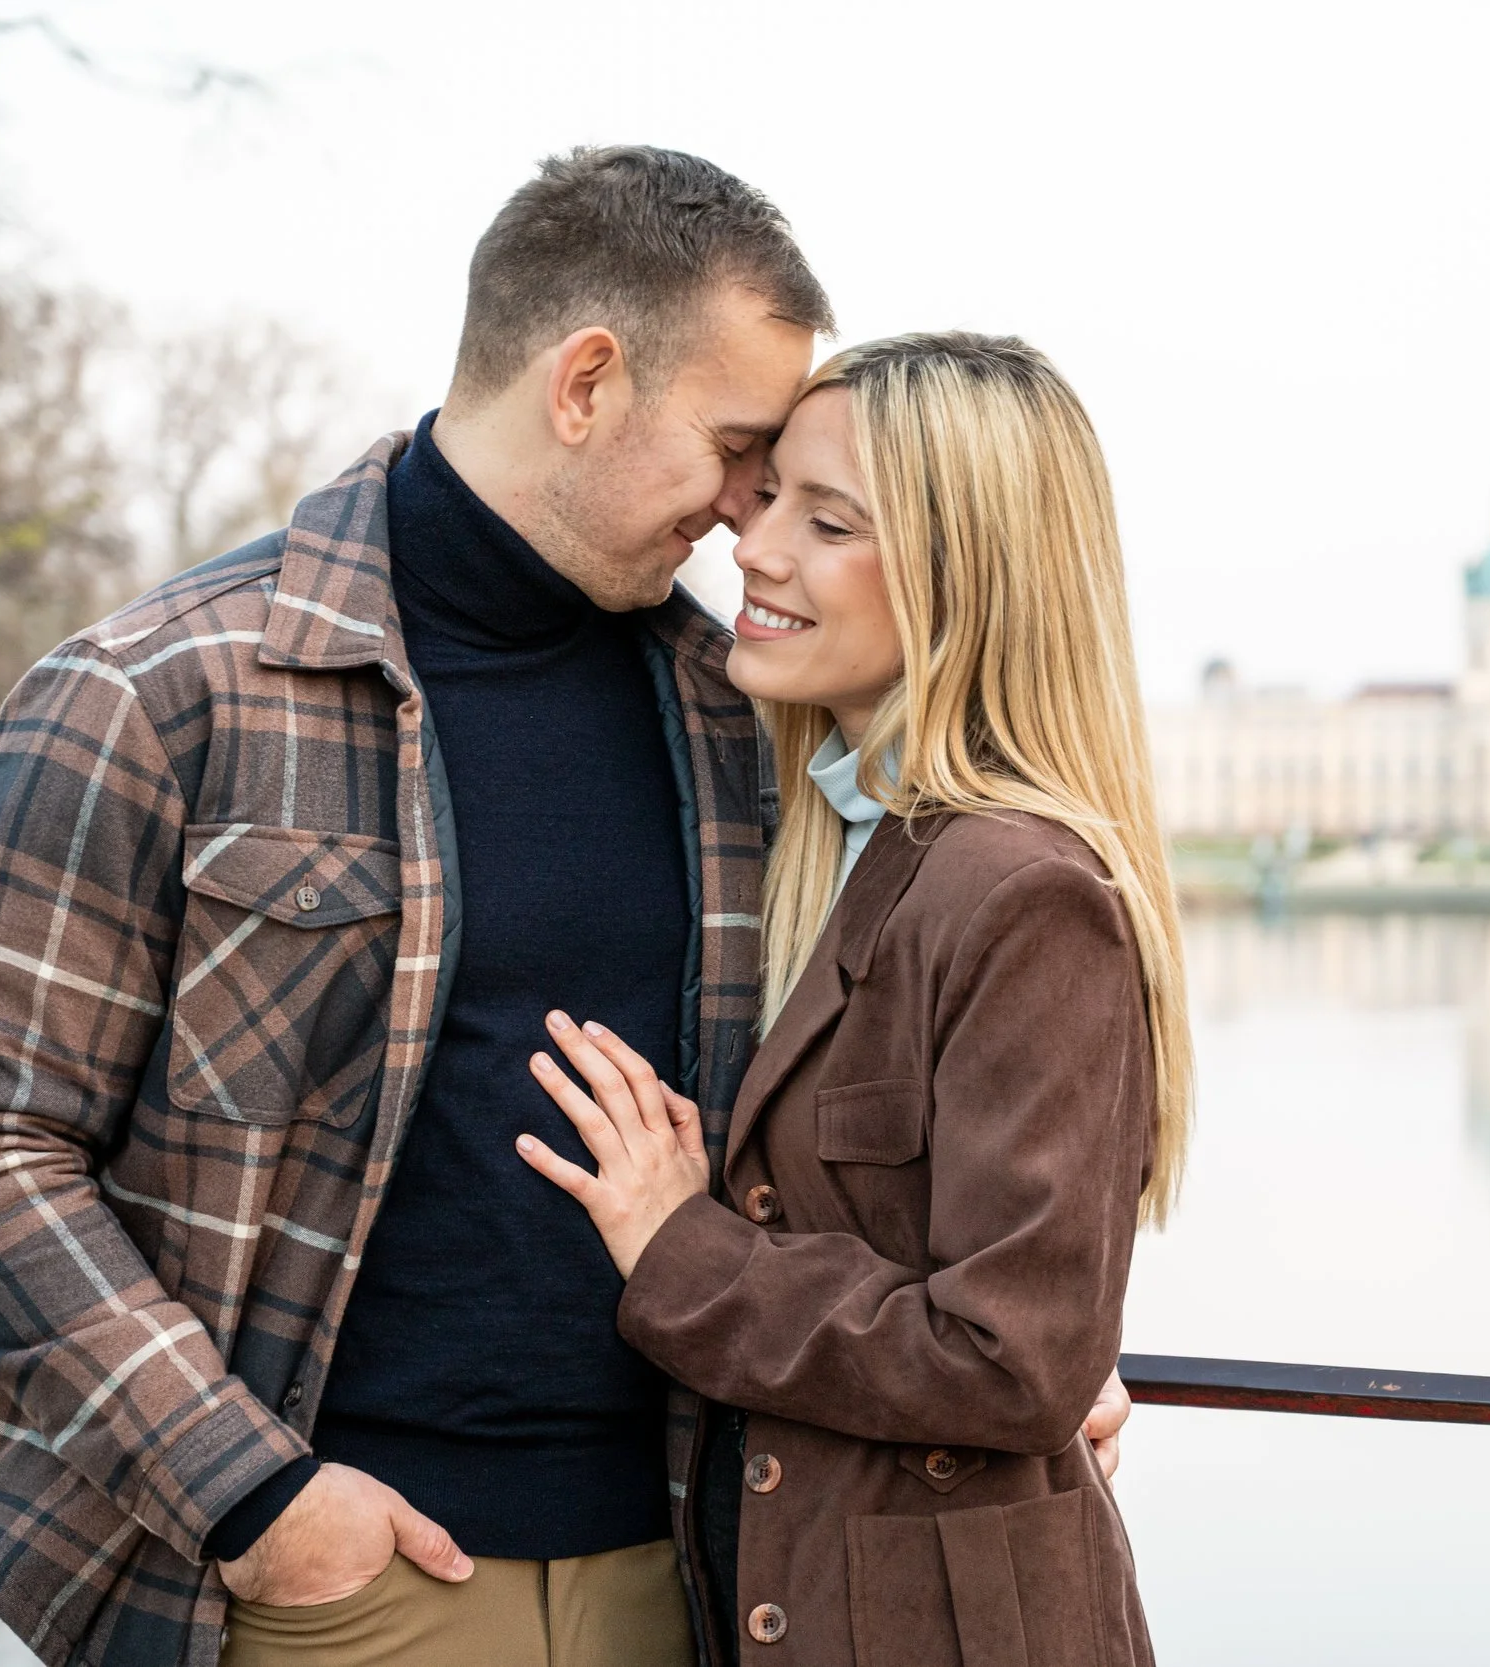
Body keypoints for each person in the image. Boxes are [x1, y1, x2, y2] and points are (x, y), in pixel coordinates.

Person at [0, 150, 1129, 1667]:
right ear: (587, 381)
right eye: (740, 449)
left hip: (706, 1576)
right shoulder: (156, 695)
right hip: (342, 1580)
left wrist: (1017, 1346)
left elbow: (910, 1088)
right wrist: (251, 1496)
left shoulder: (738, 720)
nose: (747, 515)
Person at [519, 333, 1188, 1666]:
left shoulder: (1022, 892)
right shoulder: (829, 845)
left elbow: (1016, 1356)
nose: (753, 548)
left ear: (965, 579)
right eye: (765, 500)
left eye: (826, 520)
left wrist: (680, 1245)